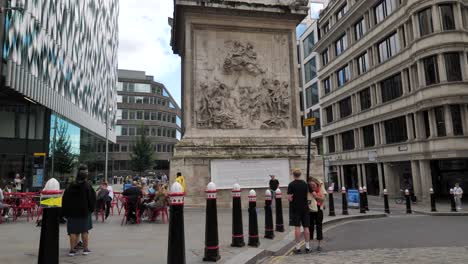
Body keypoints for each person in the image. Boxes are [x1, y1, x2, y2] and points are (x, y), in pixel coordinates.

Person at [62, 165, 96, 256]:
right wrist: (91, 209)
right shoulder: (87, 186)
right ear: (86, 176)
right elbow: (92, 199)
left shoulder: (70, 186)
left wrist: (65, 212)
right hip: (84, 212)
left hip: (72, 213)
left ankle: (72, 250)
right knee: (84, 231)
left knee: (72, 231)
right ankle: (85, 249)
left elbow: (65, 199)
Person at [287, 168, 310, 254]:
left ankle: (298, 248)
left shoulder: (291, 185)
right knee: (306, 227)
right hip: (305, 208)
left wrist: (292, 198)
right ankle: (307, 247)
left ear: (293, 175)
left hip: (295, 208)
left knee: (297, 228)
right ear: (300, 175)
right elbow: (306, 195)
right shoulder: (305, 184)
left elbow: (289, 198)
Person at [308, 178, 326, 252]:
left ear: (317, 184)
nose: (312, 187)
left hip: (319, 209)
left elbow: (322, 199)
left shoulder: (320, 190)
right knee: (310, 226)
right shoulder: (309, 191)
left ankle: (319, 245)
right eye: (311, 185)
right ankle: (310, 244)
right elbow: (307, 201)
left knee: (319, 226)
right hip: (311, 210)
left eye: (313, 185)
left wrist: (316, 196)